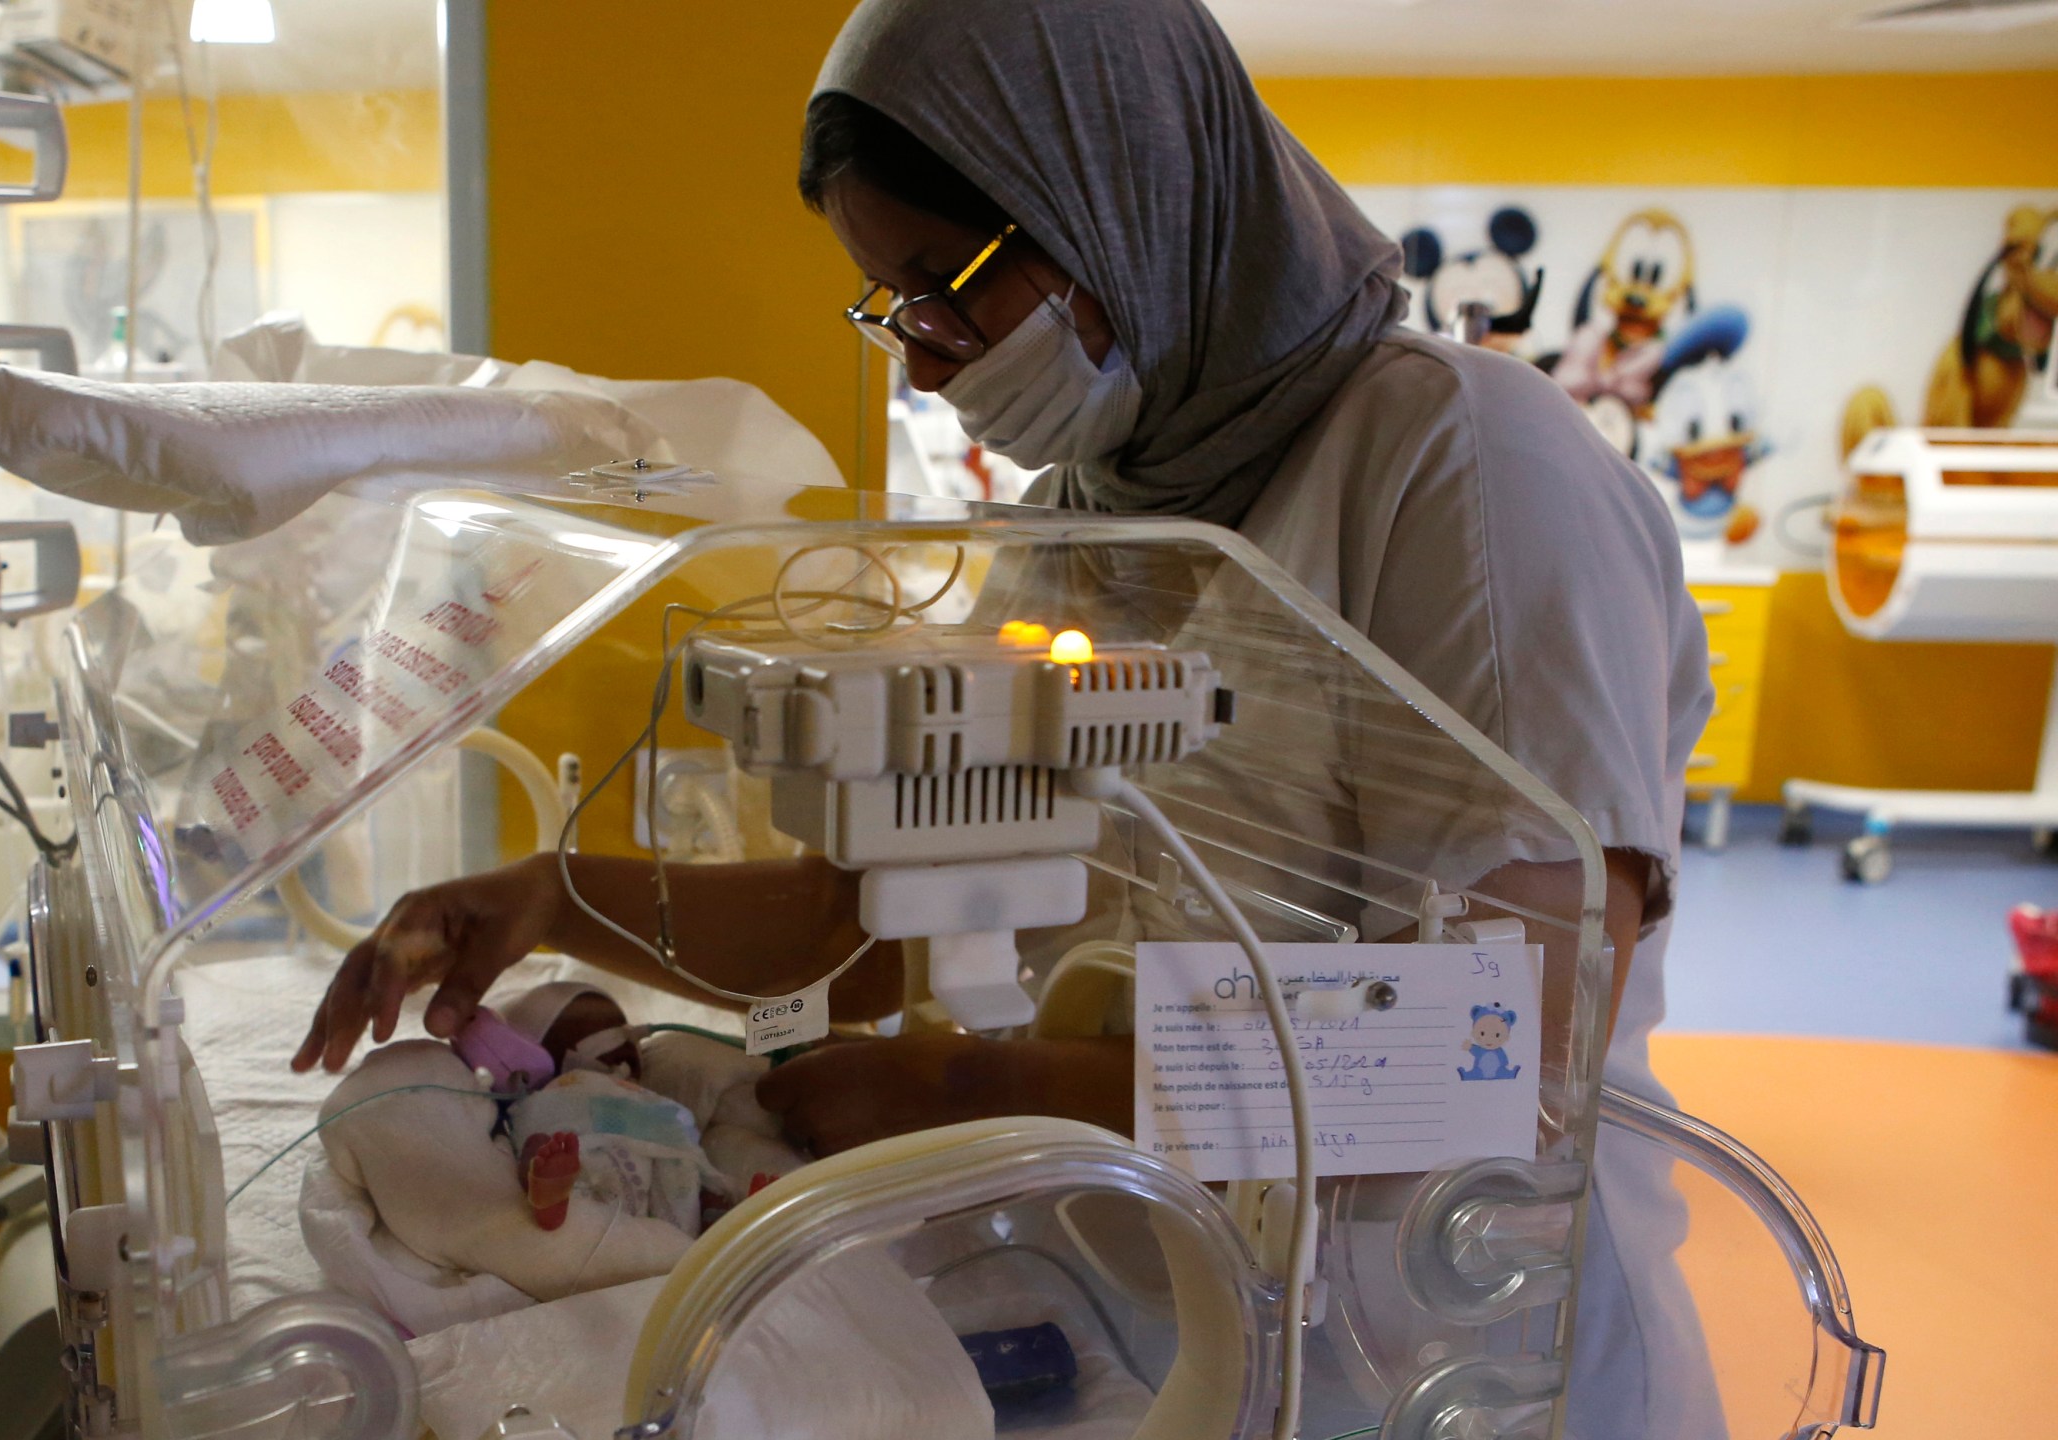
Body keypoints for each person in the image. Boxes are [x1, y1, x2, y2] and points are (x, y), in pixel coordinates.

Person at [294, 0, 1713, 1433]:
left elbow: (1501, 1041)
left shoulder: (1461, 465)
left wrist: (975, 1085)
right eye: (893, 304)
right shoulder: (1095, 526)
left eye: (945, 284)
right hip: (1158, 1313)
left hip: (1460, 1341)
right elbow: (876, 926)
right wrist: (549, 897)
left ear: (1115, 195)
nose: (925, 358)